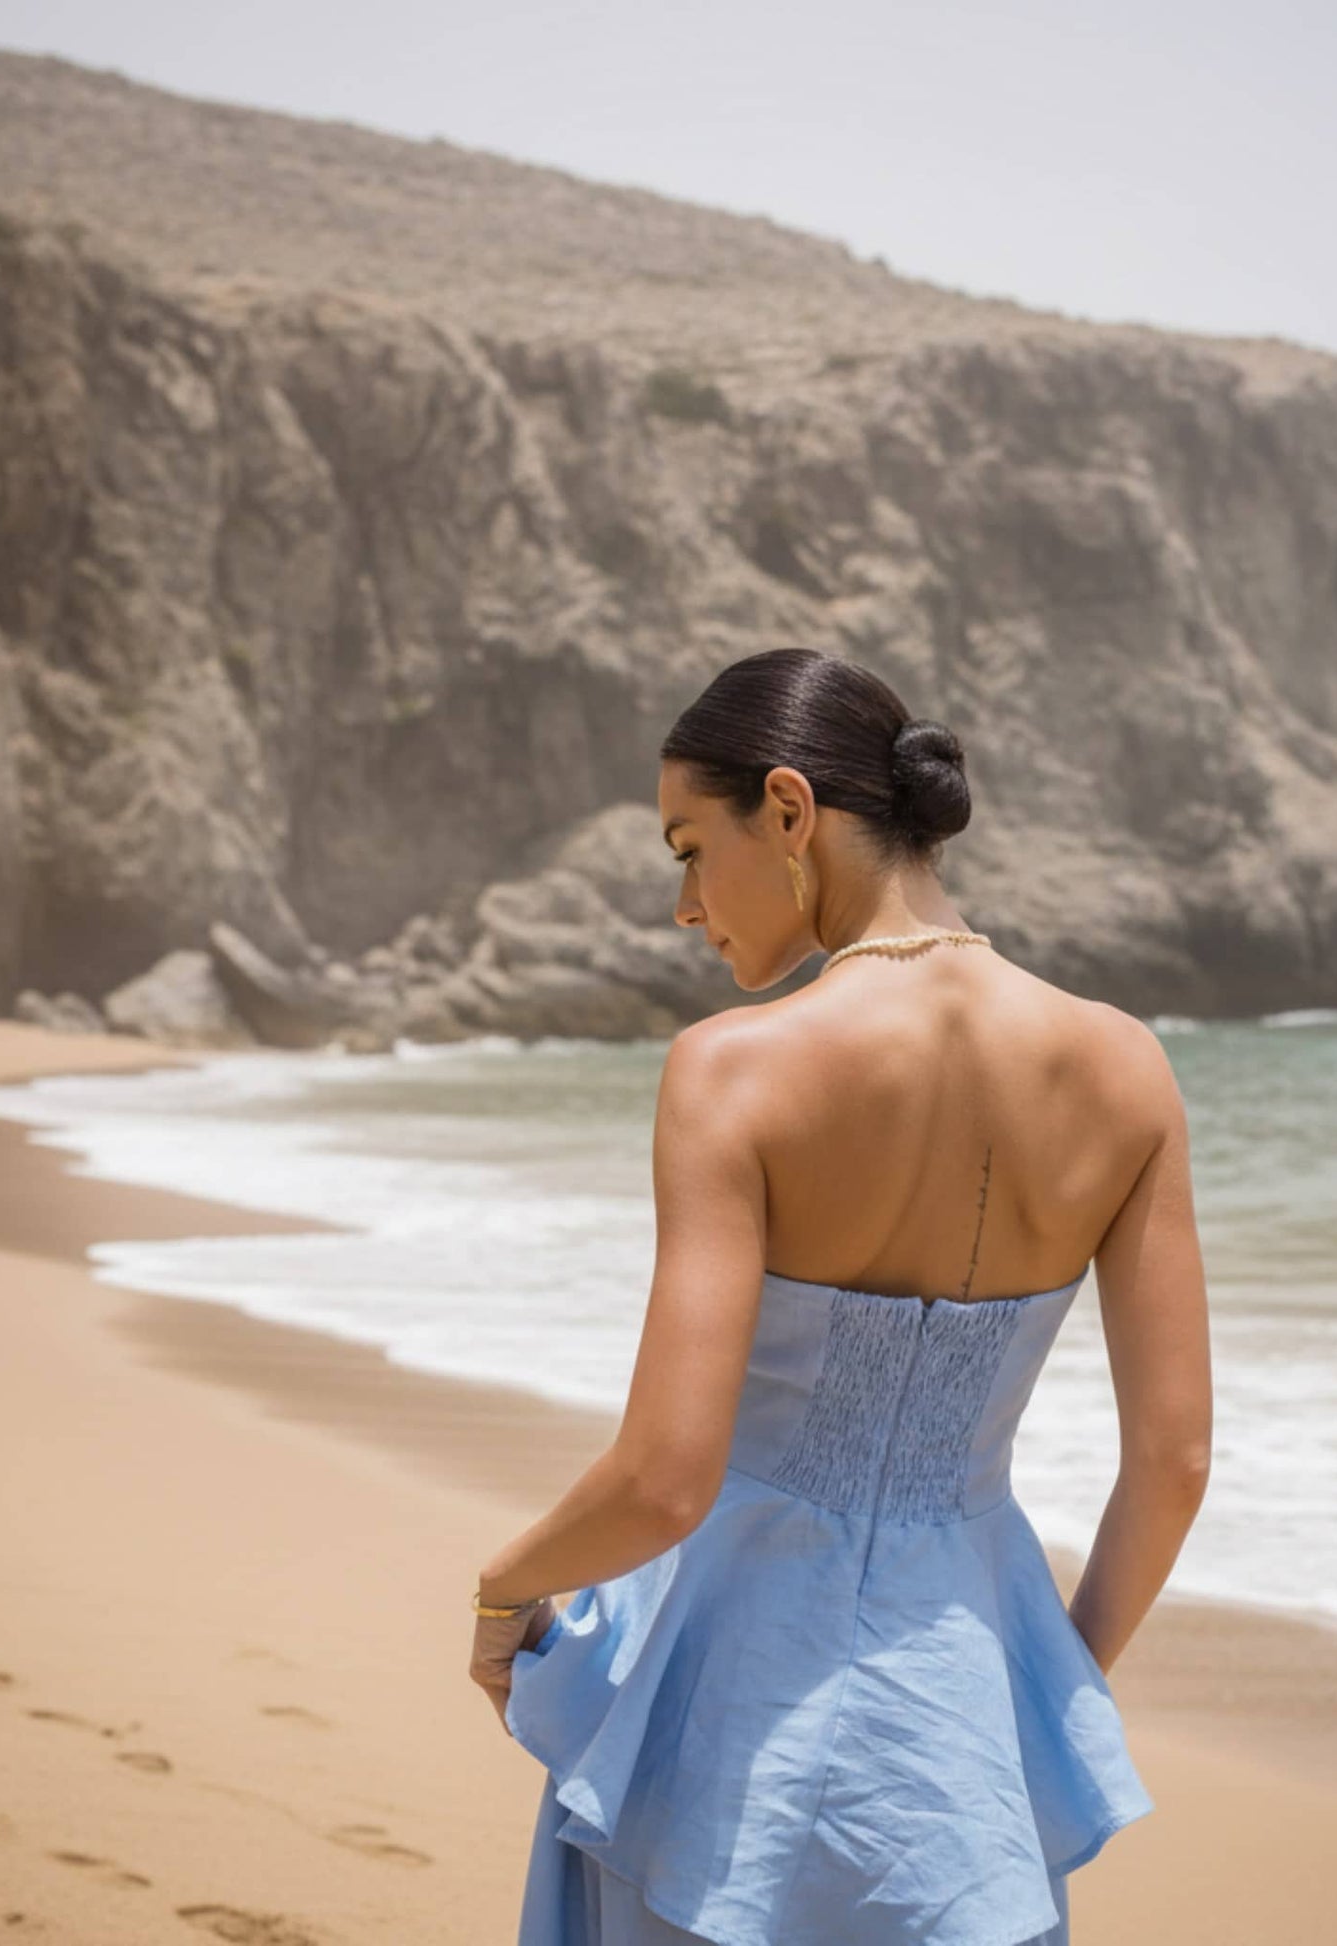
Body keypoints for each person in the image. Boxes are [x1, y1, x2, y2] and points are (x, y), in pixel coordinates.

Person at [470, 647, 1213, 1945]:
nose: (686, 905)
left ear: (791, 810)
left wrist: (501, 1590)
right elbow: (1175, 1457)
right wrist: (1048, 1691)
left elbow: (664, 1477)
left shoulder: (734, 1073)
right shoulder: (1127, 1069)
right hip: (964, 1726)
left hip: (723, 1714)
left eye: (689, 847)